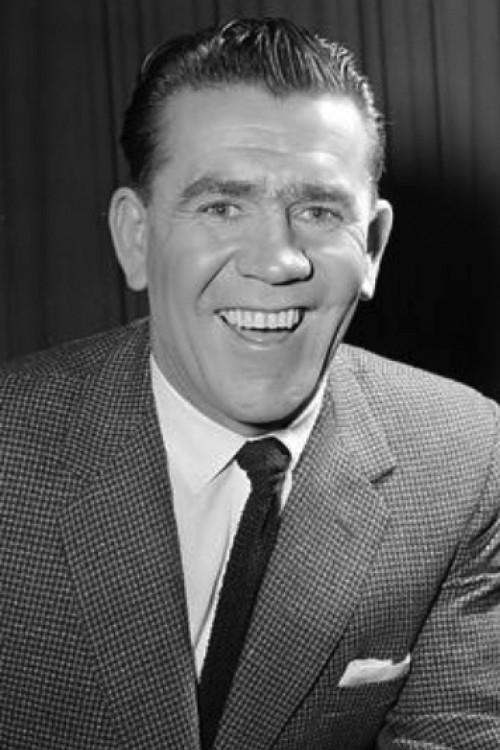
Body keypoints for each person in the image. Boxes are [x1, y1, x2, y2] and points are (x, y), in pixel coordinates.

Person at [2, 16, 499, 750]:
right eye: (221, 207)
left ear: (371, 249)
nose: (276, 261)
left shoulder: (468, 456)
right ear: (136, 237)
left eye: (319, 211)